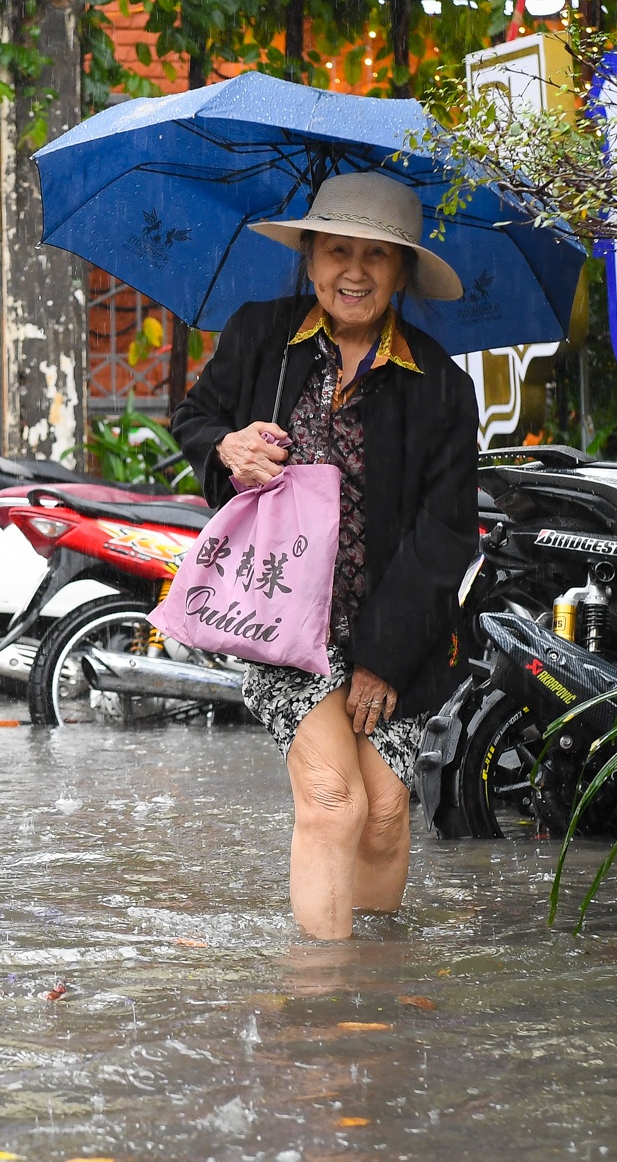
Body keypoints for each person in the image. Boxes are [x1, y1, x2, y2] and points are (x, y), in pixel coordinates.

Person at [170, 173, 479, 940]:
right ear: (309, 258)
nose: (355, 271)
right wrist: (226, 446)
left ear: (403, 272)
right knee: (334, 799)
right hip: (282, 619)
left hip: (395, 632)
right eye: (338, 249)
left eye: (378, 255)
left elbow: (446, 534)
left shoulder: (439, 385)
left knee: (382, 810)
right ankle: (322, 1012)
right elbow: (195, 418)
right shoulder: (260, 338)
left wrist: (383, 657)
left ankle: (372, 997)